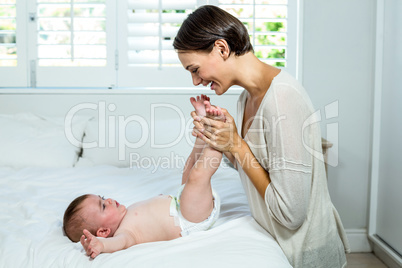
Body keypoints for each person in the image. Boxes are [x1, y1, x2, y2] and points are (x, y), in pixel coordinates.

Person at [173, 5, 350, 268]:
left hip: (304, 254)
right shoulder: (246, 98)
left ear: (222, 48)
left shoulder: (281, 98)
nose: (196, 82)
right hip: (276, 241)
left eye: (195, 69)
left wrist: (237, 144)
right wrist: (219, 140)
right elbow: (255, 167)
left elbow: (291, 215)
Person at [63, 95, 224, 259]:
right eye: (103, 206)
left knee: (189, 169)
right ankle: (220, 136)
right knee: (198, 175)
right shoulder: (126, 233)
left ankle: (203, 130)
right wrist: (101, 245)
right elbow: (120, 243)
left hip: (183, 204)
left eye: (103, 198)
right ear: (103, 232)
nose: (109, 200)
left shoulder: (128, 213)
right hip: (189, 220)